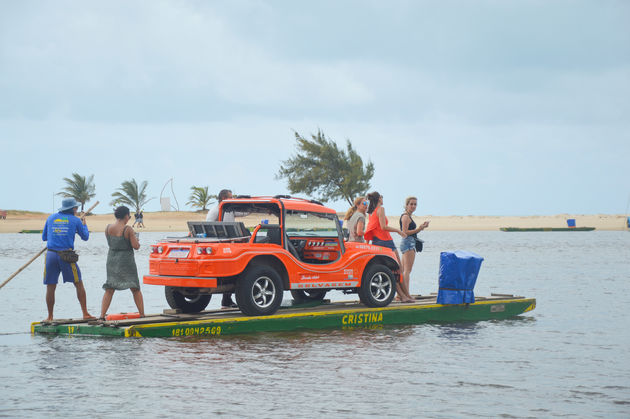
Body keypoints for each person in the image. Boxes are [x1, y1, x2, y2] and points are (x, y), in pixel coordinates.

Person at [41, 197, 93, 322]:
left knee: (50, 286)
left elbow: (44, 237)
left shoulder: (51, 218)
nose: (76, 209)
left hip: (51, 255)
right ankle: (85, 313)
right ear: (73, 209)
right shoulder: (75, 220)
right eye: (75, 207)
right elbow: (85, 237)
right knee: (78, 283)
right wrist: (84, 225)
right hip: (66, 256)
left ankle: (50, 316)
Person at [364, 191, 413, 303]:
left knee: (390, 271)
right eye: (381, 197)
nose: (383, 198)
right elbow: (383, 226)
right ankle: (405, 296)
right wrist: (398, 231)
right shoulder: (381, 209)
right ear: (379, 199)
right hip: (386, 242)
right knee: (398, 269)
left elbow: (370, 229)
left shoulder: (371, 212)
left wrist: (367, 245)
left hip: (376, 242)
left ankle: (404, 296)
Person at [99, 206, 145, 320]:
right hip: (126, 261)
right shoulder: (128, 229)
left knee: (109, 289)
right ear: (126, 216)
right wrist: (136, 240)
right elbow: (136, 246)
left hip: (112, 260)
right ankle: (142, 315)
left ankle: (101, 316)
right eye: (129, 216)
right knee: (135, 287)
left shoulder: (108, 228)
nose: (129, 218)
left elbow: (112, 244)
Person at [206, 189, 239, 309]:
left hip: (231, 245)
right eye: (231, 197)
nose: (233, 199)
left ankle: (227, 300)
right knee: (228, 271)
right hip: (221, 246)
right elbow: (208, 224)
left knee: (232, 271)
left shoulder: (230, 209)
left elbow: (243, 212)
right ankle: (226, 301)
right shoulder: (216, 210)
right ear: (224, 198)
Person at [399, 197, 429, 300]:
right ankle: (407, 294)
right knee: (407, 271)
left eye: (415, 204)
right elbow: (405, 232)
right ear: (406, 205)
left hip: (408, 242)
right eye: (411, 204)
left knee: (403, 271)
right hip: (408, 243)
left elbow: (411, 232)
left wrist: (421, 228)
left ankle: (400, 294)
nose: (413, 206)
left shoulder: (408, 216)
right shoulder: (406, 217)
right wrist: (419, 228)